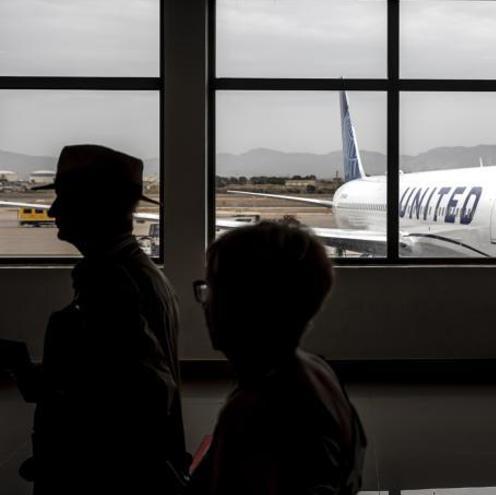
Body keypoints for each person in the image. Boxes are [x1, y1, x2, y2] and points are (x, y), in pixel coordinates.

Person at [8, 144, 188, 494]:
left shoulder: (110, 282)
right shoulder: (142, 272)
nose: (54, 209)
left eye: (65, 199)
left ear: (96, 207)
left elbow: (122, 397)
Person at [189, 221, 366, 495]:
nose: (205, 303)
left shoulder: (254, 414)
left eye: (214, 291)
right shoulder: (320, 372)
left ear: (245, 304)